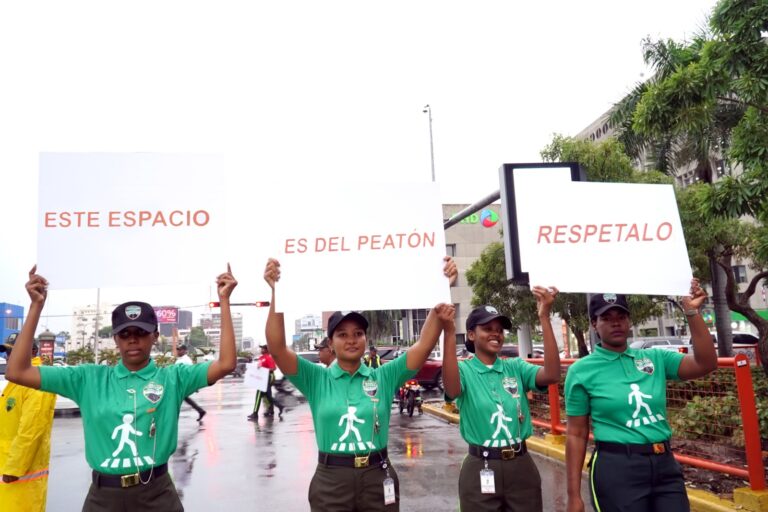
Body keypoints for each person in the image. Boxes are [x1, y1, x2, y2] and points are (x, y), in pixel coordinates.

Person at [6, 264, 238, 512]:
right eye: (125, 333)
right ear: (115, 338)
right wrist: (36, 307)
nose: (133, 339)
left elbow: (226, 363)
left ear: (155, 336)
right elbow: (17, 372)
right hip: (103, 499)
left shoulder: (173, 378)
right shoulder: (88, 378)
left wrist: (224, 301)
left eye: (141, 332)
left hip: (157, 496)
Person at [263, 255, 457, 511]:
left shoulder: (383, 376)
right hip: (331, 481)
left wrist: (440, 293)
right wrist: (277, 292)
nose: (352, 340)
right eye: (342, 335)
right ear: (330, 343)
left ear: (366, 338)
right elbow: (277, 348)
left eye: (358, 333)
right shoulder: (316, 378)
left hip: (378, 477)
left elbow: (422, 346)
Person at [565, 280, 718, 512]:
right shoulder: (581, 370)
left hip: (664, 464)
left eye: (621, 316)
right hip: (617, 468)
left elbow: (705, 363)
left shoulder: (655, 358)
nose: (616, 323)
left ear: (629, 321)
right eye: (606, 318)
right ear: (594, 324)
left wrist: (691, 311)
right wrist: (573, 495)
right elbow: (576, 434)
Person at [442, 286, 561, 512]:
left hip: (521, 466)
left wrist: (544, 317)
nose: (495, 333)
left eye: (499, 329)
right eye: (487, 328)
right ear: (471, 334)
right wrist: (449, 332)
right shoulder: (464, 371)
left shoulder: (515, 367)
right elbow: (451, 388)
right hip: (480, 468)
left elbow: (552, 374)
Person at [0, 334, 57, 512]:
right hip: (7, 470)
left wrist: (13, 469)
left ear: (32, 351)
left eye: (13, 351)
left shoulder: (37, 381)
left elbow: (32, 430)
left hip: (21, 477)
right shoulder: (17, 379)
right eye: (8, 352)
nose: (9, 357)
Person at [247, 343, 285, 420]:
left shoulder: (268, 357)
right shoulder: (261, 358)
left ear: (266, 350)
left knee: (259, 394)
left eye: (263, 349)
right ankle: (274, 408)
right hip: (262, 378)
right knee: (267, 395)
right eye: (261, 348)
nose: (261, 350)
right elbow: (260, 367)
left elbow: (273, 368)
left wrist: (264, 370)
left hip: (268, 377)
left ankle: (255, 413)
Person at [174, 345, 207, 422]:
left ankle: (171, 417)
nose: (178, 351)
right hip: (179, 383)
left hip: (183, 384)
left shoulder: (186, 360)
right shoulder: (181, 359)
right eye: (178, 350)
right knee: (183, 398)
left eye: (180, 350)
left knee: (175, 399)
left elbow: (191, 372)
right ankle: (200, 411)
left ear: (185, 351)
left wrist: (194, 385)